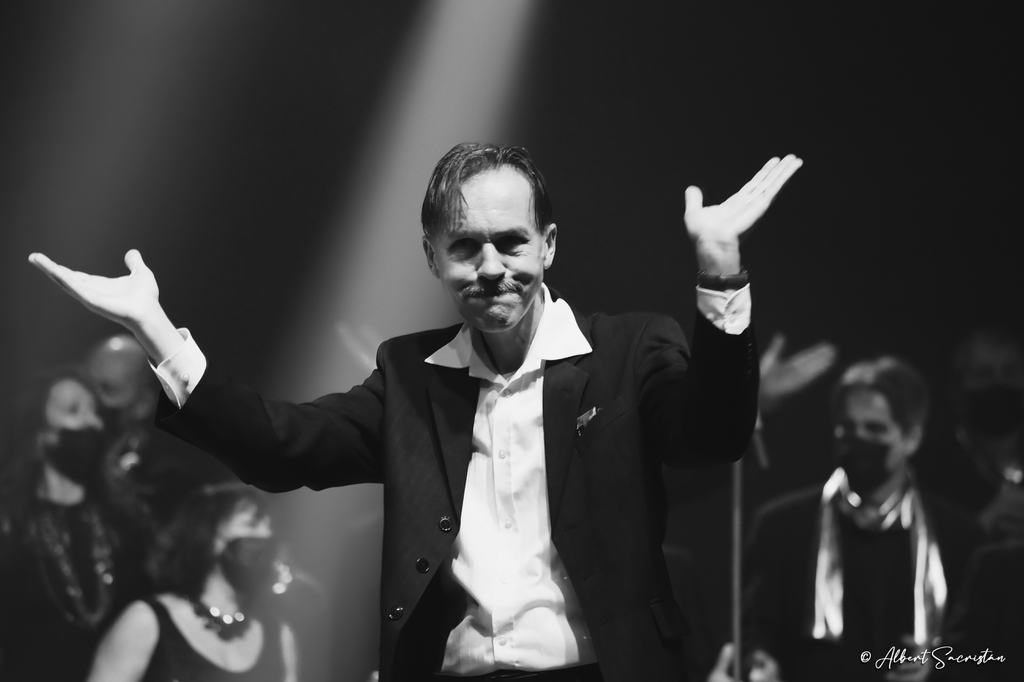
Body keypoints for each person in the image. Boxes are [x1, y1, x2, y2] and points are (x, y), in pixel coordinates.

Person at [29, 143, 802, 681]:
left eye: (512, 243)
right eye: (465, 247)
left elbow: (715, 435)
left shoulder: (628, 351)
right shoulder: (410, 377)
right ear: (432, 255)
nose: (491, 268)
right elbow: (281, 447)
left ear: (549, 246)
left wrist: (720, 270)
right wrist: (155, 329)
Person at [730, 357, 979, 682]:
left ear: (912, 437)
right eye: (847, 428)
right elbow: (753, 632)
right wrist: (759, 662)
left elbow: (981, 649)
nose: (858, 438)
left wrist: (938, 668)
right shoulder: (782, 527)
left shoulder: (958, 536)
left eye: (875, 429)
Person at [0, 369, 152, 681]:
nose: (92, 423)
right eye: (73, 410)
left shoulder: (124, 520)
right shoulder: (11, 522)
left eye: (94, 412)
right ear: (41, 433)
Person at [87, 483, 298, 682]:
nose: (266, 536)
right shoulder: (146, 621)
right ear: (210, 538)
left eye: (269, 528)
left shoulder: (279, 636)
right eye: (251, 525)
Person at [83, 333, 231, 522]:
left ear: (143, 402)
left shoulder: (165, 476)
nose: (91, 399)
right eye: (87, 385)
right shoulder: (74, 448)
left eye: (107, 389)